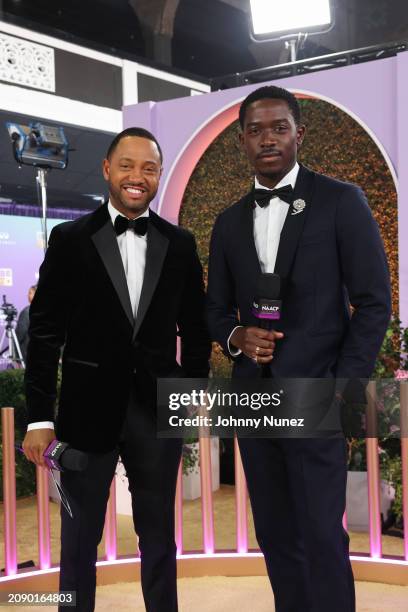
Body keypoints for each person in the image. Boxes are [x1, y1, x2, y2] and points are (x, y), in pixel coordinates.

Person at [207, 86, 391, 612]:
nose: (268, 138)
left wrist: (342, 387)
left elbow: (374, 303)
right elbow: (215, 311)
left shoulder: (340, 200)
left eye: (279, 127)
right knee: (275, 534)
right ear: (241, 140)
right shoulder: (227, 223)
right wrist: (236, 338)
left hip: (317, 397)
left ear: (298, 134)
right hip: (253, 402)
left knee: (321, 536)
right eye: (256, 130)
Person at [22, 127, 211, 612]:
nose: (137, 177)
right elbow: (44, 333)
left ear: (159, 175)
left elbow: (195, 329)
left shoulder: (181, 244)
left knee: (159, 537)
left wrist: (188, 396)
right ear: (107, 169)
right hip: (86, 414)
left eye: (149, 168)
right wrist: (40, 418)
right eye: (127, 165)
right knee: (77, 540)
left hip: (155, 412)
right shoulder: (69, 239)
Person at [15, 284, 36, 361]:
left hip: (27, 354)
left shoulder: (26, 312)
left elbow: (20, 334)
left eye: (30, 293)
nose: (27, 295)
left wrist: (15, 351)